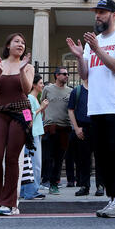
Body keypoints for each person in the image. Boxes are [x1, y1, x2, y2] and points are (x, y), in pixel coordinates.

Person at [66, 0, 115, 218]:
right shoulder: (90, 44)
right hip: (96, 108)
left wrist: (97, 49)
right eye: (96, 12)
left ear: (114, 15)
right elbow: (85, 75)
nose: (98, 16)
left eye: (102, 12)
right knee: (102, 158)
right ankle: (112, 198)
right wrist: (79, 57)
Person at [0, 33, 34, 216]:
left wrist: (21, 70)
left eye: (23, 42)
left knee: (12, 158)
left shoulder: (28, 67)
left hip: (21, 113)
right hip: (1, 112)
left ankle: (8, 202)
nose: (21, 44)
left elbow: (27, 89)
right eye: (17, 41)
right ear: (8, 45)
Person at [41, 66, 72, 195]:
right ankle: (45, 180)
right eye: (64, 74)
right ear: (57, 75)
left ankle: (54, 183)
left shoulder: (70, 91)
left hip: (65, 128)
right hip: (50, 127)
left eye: (67, 74)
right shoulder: (47, 89)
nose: (67, 76)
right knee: (48, 157)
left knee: (59, 158)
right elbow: (42, 105)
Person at [68, 76, 102, 196]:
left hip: (98, 128)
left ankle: (100, 185)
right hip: (83, 128)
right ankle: (84, 185)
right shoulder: (77, 91)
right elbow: (71, 110)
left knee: (100, 158)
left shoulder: (100, 90)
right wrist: (76, 128)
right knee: (83, 159)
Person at [19, 74, 47, 200]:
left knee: (29, 164)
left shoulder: (35, 98)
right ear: (34, 85)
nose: (42, 85)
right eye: (40, 83)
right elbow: (27, 117)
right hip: (32, 135)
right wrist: (41, 108)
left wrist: (42, 108)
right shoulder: (30, 98)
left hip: (36, 134)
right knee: (34, 164)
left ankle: (27, 191)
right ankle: (32, 191)